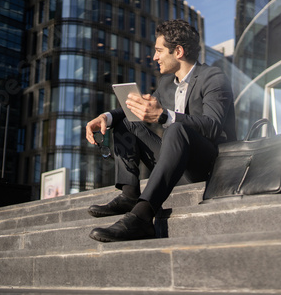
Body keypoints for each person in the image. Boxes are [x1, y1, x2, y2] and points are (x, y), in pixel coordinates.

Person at [85, 19, 236, 242]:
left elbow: (213, 126)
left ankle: (142, 216)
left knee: (176, 129)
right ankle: (129, 195)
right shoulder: (166, 84)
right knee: (128, 122)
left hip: (210, 167)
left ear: (179, 51)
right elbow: (137, 107)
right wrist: (105, 117)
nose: (154, 57)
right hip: (176, 166)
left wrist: (165, 116)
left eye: (158, 51)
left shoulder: (213, 78)